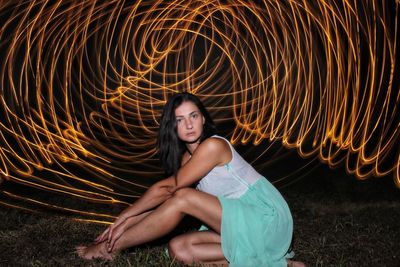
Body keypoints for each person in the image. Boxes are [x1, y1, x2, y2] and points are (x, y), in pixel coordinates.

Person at [76, 92, 305, 267]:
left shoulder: (214, 146)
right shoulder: (187, 159)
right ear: (172, 127)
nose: (188, 124)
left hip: (266, 220)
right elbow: (166, 206)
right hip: (241, 224)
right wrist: (127, 222)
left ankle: (110, 249)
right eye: (180, 119)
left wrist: (125, 215)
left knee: (183, 195)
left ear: (203, 119)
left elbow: (170, 190)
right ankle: (278, 264)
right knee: (179, 249)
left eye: (193, 116)